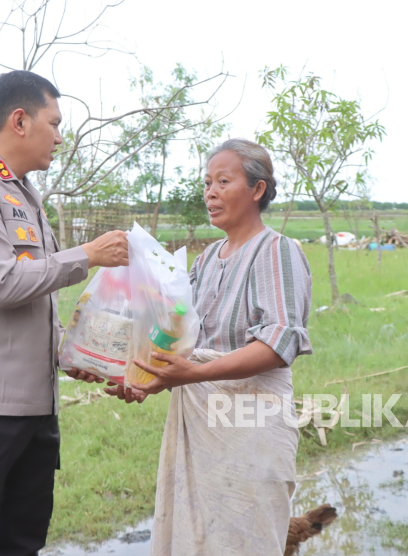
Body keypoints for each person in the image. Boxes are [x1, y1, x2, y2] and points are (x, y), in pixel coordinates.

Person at [75, 138, 313, 555]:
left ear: (257, 190)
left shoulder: (278, 251)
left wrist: (196, 374)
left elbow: (280, 342)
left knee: (245, 537)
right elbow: (185, 340)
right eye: (207, 183)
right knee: (196, 536)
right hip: (200, 422)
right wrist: (143, 379)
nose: (211, 192)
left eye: (224, 181)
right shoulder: (206, 260)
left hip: (251, 426)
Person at [0, 69, 129, 556]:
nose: (60, 137)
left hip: (36, 408)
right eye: (54, 123)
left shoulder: (25, 196)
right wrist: (87, 255)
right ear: (20, 120)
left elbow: (38, 300)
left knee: (21, 542)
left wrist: (80, 354)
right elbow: (2, 285)